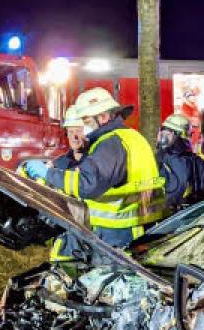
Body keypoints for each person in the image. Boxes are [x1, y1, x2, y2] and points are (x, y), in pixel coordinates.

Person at [21, 87, 166, 255]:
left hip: (119, 231)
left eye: (87, 122)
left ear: (103, 117)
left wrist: (48, 174)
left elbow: (87, 184)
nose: (83, 127)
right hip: (142, 226)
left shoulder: (110, 144)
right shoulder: (131, 137)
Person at [48, 105, 88, 261]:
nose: (74, 136)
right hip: (64, 231)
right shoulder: (60, 162)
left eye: (78, 131)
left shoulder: (96, 162)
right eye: (70, 132)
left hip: (88, 233)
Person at [156, 113, 204, 211]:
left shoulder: (198, 163)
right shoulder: (159, 159)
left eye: (168, 133)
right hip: (181, 218)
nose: (163, 138)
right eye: (162, 133)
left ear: (178, 135)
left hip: (175, 218)